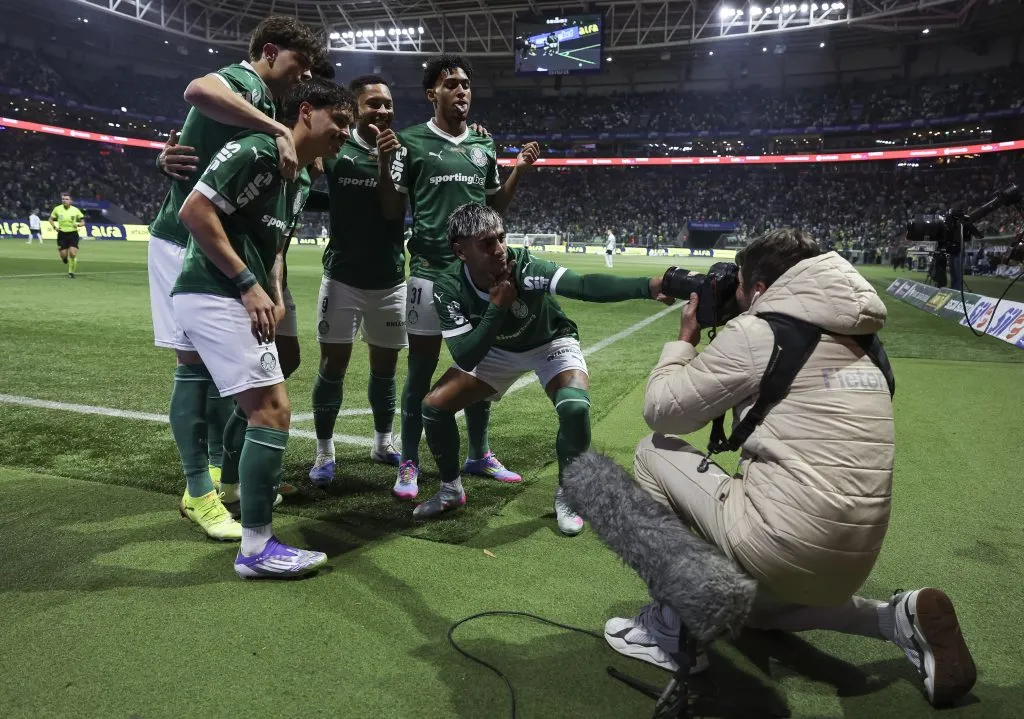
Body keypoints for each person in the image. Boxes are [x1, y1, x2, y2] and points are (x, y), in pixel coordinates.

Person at [604, 229, 976, 707]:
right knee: (751, 611)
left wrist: (685, 341)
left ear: (758, 289)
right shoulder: (868, 340)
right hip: (855, 558)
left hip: (784, 544)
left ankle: (671, 633)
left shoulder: (761, 332)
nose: (734, 295)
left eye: (738, 285)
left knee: (652, 451)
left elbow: (663, 411)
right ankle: (893, 619)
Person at [148, 16, 324, 539]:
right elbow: (196, 90)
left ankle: (216, 478)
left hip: (217, 242)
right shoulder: (246, 82)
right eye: (299, 65)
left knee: (220, 372)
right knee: (194, 366)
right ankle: (199, 491)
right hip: (186, 236)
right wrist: (275, 131)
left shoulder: (266, 104)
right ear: (270, 51)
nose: (303, 77)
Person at [173, 78, 352, 577]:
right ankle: (256, 548)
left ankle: (236, 495)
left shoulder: (299, 179)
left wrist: (272, 290)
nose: (344, 132)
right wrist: (247, 283)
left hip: (229, 293)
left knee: (258, 405)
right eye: (339, 121)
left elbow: (274, 248)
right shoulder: (257, 150)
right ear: (308, 111)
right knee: (272, 410)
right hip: (214, 290)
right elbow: (194, 210)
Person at [418, 203, 672, 534]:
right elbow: (466, 356)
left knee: (575, 407)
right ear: (460, 251)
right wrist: (497, 309)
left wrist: (649, 287)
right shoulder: (449, 285)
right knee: (434, 407)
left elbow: (582, 286)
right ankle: (451, 490)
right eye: (486, 243)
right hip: (496, 350)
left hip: (549, 342)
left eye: (501, 238)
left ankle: (569, 495)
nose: (499, 250)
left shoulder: (522, 266)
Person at [376, 54, 541, 500]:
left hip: (476, 276)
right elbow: (392, 211)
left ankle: (479, 453)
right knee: (421, 370)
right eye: (452, 84)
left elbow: (495, 212)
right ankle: (409, 461)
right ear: (433, 94)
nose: (462, 91)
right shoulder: (408, 142)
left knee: (480, 366)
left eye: (466, 84)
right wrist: (383, 163)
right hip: (429, 272)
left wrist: (517, 173)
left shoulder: (483, 146)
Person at [309, 75, 408, 486]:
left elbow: (391, 212)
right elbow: (304, 176)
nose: (382, 111)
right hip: (343, 277)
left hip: (388, 279)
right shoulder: (336, 146)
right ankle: (323, 452)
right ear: (354, 108)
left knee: (385, 370)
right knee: (333, 366)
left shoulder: (401, 153)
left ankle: (383, 443)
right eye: (373, 104)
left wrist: (386, 162)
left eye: (387, 104)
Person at [50, 193, 84, 277]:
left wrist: (78, 225)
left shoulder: (75, 210)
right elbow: (50, 219)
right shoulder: (57, 209)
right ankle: (64, 259)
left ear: (71, 201)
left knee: (73, 254)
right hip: (62, 234)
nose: (64, 200)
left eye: (66, 199)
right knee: (63, 255)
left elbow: (83, 222)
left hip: (73, 234)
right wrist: (55, 227)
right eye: (63, 199)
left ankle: (71, 272)